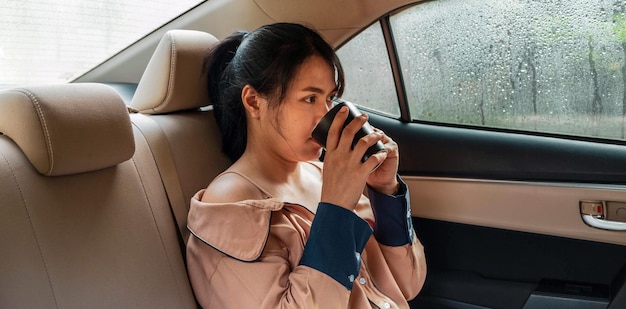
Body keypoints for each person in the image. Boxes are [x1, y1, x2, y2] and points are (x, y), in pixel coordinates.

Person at [186, 22, 426, 308]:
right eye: (309, 98)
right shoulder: (229, 204)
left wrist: (386, 192)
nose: (326, 116)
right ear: (253, 102)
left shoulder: (324, 174)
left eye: (330, 99)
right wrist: (335, 209)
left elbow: (407, 284)